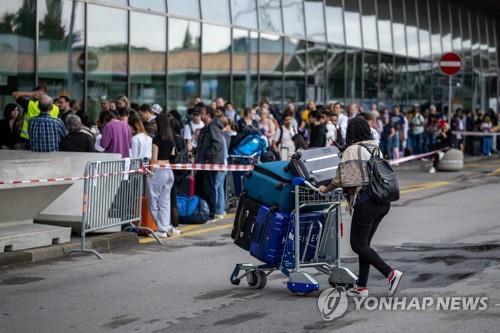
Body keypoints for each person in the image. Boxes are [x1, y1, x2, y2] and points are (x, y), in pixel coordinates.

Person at [319, 117, 403, 297]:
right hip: (382, 201)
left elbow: (343, 178)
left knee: (357, 244)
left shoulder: (352, 150)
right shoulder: (375, 148)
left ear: (351, 132)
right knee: (364, 245)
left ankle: (390, 273)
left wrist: (325, 189)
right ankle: (362, 287)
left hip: (366, 201)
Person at [147, 113, 178, 238]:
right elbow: (172, 155)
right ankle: (165, 227)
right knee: (165, 201)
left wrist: (150, 173)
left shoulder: (157, 140)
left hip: (158, 170)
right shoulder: (171, 139)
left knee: (152, 201)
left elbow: (154, 159)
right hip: (168, 169)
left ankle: (161, 228)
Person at [195, 107, 226, 219]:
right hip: (205, 163)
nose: (200, 116)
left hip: (210, 163)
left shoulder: (213, 127)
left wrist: (207, 156)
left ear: (208, 115)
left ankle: (211, 212)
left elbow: (217, 144)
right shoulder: (207, 128)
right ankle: (203, 210)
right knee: (202, 187)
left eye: (202, 114)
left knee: (209, 187)